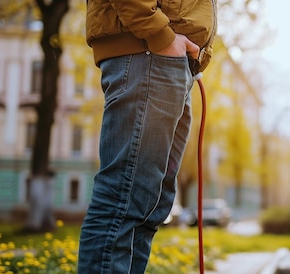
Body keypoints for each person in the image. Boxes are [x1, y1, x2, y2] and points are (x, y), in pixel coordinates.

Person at [78, 0, 216, 272]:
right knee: (124, 198)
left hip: (171, 60)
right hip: (147, 50)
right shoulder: (155, 40)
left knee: (151, 205)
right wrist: (160, 35)